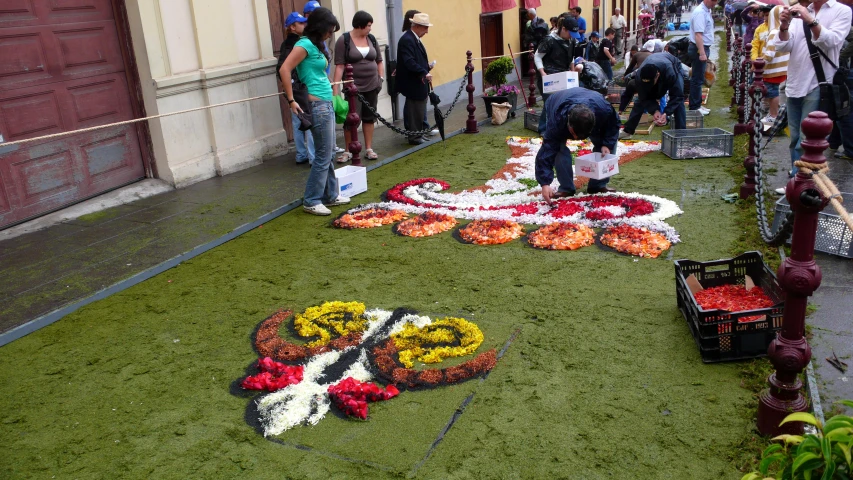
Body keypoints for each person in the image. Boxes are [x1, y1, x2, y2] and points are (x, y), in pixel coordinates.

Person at [773, 0, 851, 192]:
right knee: (795, 137)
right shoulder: (801, 11)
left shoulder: (842, 11)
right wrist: (783, 26)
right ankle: (796, 178)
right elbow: (783, 46)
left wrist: (809, 20)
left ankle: (804, 182)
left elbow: (832, 41)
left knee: (807, 139)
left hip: (818, 84)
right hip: (794, 83)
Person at [280, 7, 349, 216]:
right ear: (320, 27)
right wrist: (291, 100)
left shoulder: (316, 45)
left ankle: (330, 194)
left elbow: (317, 72)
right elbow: (284, 69)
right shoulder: (304, 44)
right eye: (329, 29)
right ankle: (311, 199)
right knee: (322, 154)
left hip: (325, 102)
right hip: (317, 105)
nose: (331, 33)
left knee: (326, 152)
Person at [536, 89, 620, 200]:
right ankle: (566, 188)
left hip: (593, 101)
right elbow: (547, 150)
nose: (576, 139)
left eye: (582, 136)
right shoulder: (557, 119)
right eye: (573, 134)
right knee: (558, 149)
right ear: (569, 124)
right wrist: (545, 184)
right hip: (556, 101)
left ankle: (598, 185)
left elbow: (613, 125)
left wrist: (607, 144)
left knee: (608, 145)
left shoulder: (603, 110)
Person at [333, 11, 384, 161]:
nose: (370, 29)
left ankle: (369, 148)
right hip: (353, 88)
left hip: (372, 85)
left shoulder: (371, 39)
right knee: (351, 119)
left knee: (369, 117)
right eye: (368, 26)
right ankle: (348, 151)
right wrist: (336, 88)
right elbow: (340, 66)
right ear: (360, 25)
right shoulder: (344, 40)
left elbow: (379, 61)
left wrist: (380, 78)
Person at [619, 52, 687, 139]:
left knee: (678, 102)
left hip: (673, 65)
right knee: (640, 100)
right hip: (656, 65)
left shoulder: (670, 73)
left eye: (650, 83)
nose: (649, 86)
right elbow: (644, 97)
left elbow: (677, 95)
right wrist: (655, 111)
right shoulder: (639, 76)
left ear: (657, 76)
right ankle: (628, 131)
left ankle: (681, 135)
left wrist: (666, 113)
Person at [277, 12, 314, 165]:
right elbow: (283, 68)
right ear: (292, 27)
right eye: (301, 23)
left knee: (297, 120)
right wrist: (296, 81)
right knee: (309, 119)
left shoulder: (286, 44)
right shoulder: (300, 44)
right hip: (301, 87)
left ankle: (301, 154)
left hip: (293, 87)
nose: (304, 25)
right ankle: (313, 156)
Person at [397, 9, 438, 138]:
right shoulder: (408, 39)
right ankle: (415, 136)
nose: (427, 31)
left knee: (418, 109)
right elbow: (409, 61)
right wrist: (423, 72)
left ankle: (419, 134)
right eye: (425, 28)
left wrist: (426, 68)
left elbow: (415, 59)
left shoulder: (413, 38)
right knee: (415, 109)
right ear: (418, 26)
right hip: (413, 81)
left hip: (418, 80)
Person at [752, 5, 787, 126]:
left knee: (772, 93)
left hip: (772, 69)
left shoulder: (774, 32)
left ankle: (773, 115)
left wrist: (759, 64)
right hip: (779, 68)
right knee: (773, 91)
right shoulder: (782, 31)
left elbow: (769, 53)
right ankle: (772, 114)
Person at [688, 0, 715, 116]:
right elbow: (698, 35)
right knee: (697, 79)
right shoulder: (700, 12)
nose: (715, 3)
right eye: (714, 1)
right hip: (699, 48)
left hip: (702, 47)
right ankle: (694, 107)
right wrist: (702, 53)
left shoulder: (706, 10)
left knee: (699, 78)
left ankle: (697, 104)